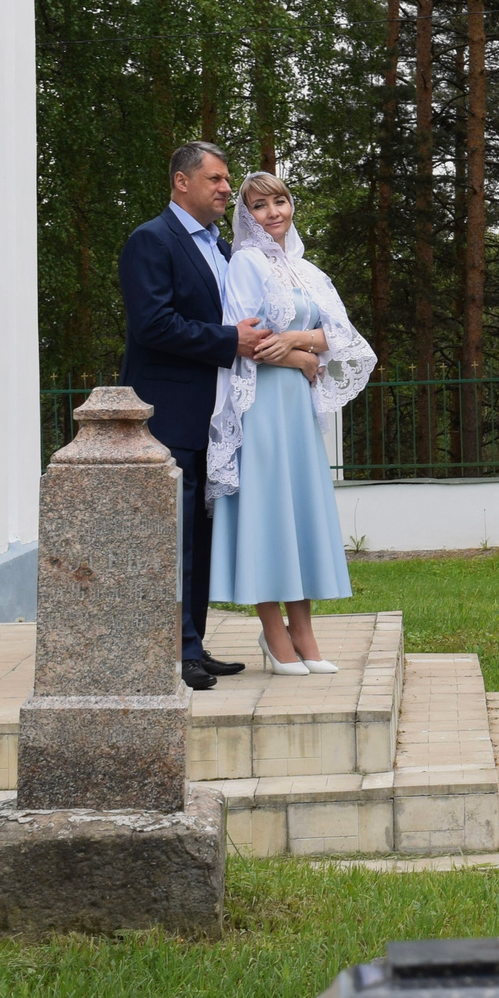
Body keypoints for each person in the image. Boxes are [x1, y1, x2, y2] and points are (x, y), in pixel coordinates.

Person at [206, 172, 376, 674]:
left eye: (279, 201)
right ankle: (275, 636)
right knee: (266, 513)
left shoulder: (309, 271)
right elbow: (244, 339)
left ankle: (305, 637)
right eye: (259, 206)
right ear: (247, 216)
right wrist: (301, 356)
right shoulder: (245, 264)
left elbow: (342, 338)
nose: (273, 213)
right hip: (259, 404)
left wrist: (302, 349)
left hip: (296, 409)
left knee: (296, 516)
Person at [119, 141, 268, 691]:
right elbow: (153, 325)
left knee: (202, 537)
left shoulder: (223, 248)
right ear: (182, 182)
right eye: (216, 179)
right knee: (174, 539)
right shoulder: (150, 241)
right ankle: (174, 651)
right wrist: (231, 341)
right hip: (170, 414)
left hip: (216, 419)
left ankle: (194, 645)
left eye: (227, 180)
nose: (227, 189)